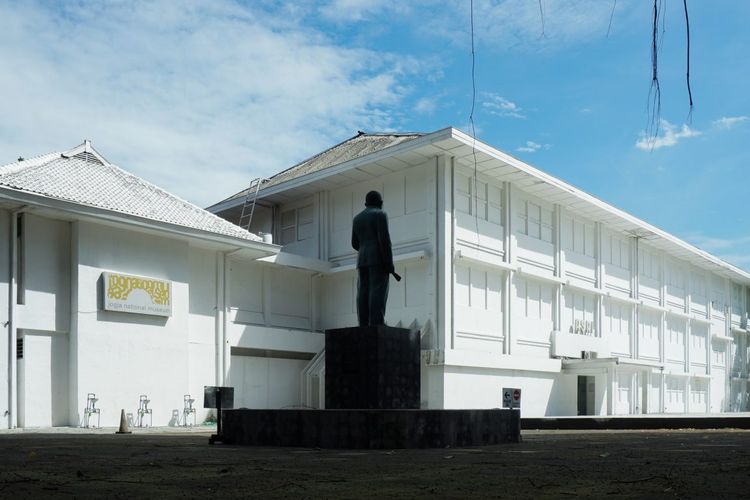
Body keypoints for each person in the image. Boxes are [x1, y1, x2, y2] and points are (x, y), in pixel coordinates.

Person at [351, 190, 396, 326]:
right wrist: (389, 263)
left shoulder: (357, 218)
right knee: (377, 291)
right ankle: (377, 322)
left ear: (366, 203)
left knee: (363, 291)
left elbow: (354, 243)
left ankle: (363, 323)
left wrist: (365, 249)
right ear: (380, 203)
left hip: (362, 260)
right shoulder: (380, 214)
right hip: (378, 260)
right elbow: (385, 241)